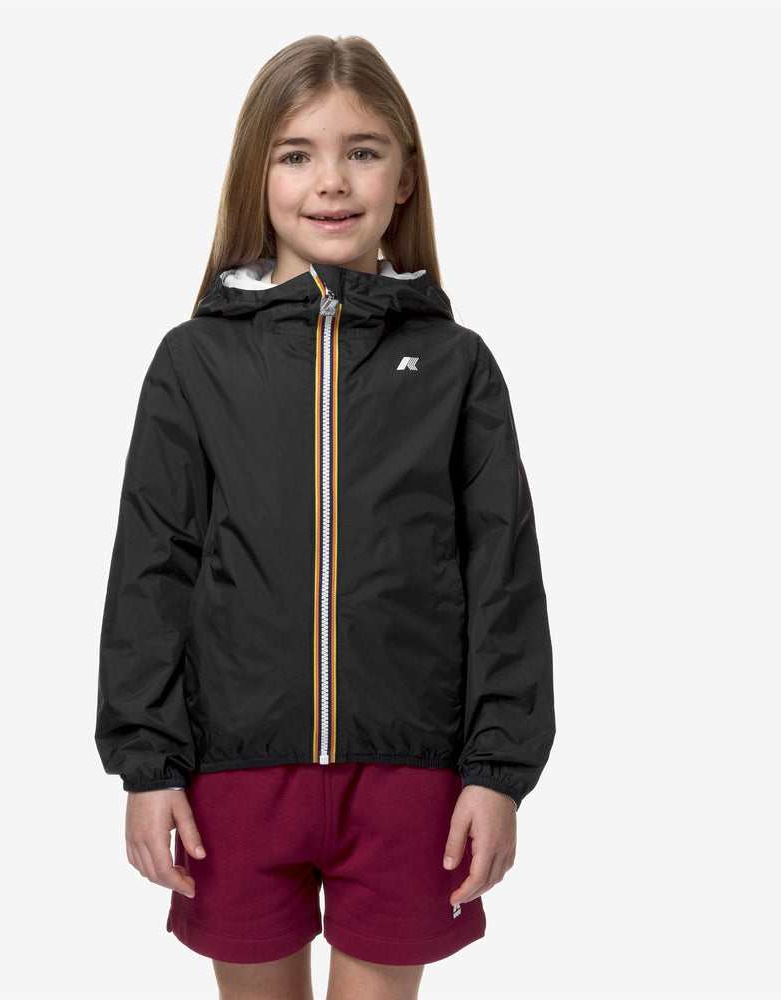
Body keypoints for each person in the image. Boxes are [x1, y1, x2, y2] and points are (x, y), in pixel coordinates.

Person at [95, 33, 556, 1000]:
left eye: (363, 150)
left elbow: (502, 576)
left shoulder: (457, 366)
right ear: (256, 175)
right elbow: (153, 567)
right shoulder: (194, 362)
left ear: (404, 176)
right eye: (296, 153)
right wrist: (148, 765)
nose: (332, 181)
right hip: (234, 774)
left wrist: (496, 771)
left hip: (410, 775)